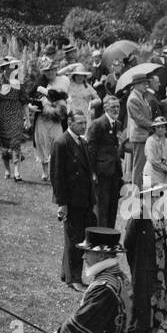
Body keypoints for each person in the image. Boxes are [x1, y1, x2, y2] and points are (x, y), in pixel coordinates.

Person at [122, 187, 167, 333]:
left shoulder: (160, 216)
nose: (156, 200)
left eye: (159, 197)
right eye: (153, 197)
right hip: (145, 269)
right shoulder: (138, 216)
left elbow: (161, 239)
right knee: (148, 306)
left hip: (161, 268)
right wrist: (136, 267)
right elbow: (128, 243)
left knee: (161, 303)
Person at [51, 107, 95, 289]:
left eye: (85, 123)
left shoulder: (82, 142)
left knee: (77, 237)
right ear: (70, 123)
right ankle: (74, 279)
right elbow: (56, 176)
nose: (84, 126)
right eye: (80, 123)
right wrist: (62, 203)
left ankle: (66, 273)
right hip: (71, 200)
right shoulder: (62, 143)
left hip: (84, 199)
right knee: (74, 239)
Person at [0, 57, 29, 181]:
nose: (11, 67)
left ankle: (16, 171)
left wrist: (27, 119)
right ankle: (7, 169)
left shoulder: (19, 80)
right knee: (4, 144)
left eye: (13, 65)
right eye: (8, 65)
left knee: (16, 142)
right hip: (2, 114)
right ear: (3, 67)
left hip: (16, 113)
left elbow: (24, 101)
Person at [85, 97, 122, 227]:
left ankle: (110, 237)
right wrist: (93, 172)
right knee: (102, 207)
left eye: (118, 106)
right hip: (102, 172)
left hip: (114, 171)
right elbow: (91, 150)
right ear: (105, 108)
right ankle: (101, 238)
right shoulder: (98, 124)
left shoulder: (117, 124)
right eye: (113, 107)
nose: (116, 109)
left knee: (112, 206)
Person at [125, 77, 156, 191]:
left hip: (144, 134)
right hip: (139, 136)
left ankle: (144, 188)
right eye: (143, 84)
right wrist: (153, 125)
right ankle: (136, 189)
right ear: (136, 84)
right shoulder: (133, 98)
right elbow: (139, 118)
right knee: (139, 165)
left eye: (146, 83)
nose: (146, 86)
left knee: (146, 165)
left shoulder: (141, 97)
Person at [33, 86, 67, 183]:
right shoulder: (39, 98)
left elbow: (61, 113)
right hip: (42, 122)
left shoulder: (60, 102)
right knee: (42, 144)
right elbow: (30, 101)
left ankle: (55, 172)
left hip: (55, 124)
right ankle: (45, 172)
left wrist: (47, 106)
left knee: (57, 146)